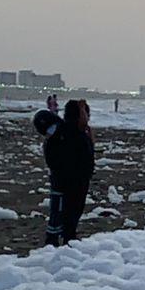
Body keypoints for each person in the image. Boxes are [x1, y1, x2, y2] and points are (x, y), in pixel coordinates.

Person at [43, 99, 95, 246]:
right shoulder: (70, 133)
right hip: (70, 179)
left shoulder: (71, 131)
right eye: (86, 114)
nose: (88, 118)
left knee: (69, 210)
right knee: (67, 210)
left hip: (71, 178)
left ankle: (65, 237)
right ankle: (60, 238)